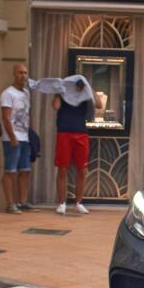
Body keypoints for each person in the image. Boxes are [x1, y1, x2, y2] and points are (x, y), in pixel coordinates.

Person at [53, 76, 96, 215]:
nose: (77, 87)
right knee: (62, 169)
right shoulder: (63, 93)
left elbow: (99, 104)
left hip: (81, 133)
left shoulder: (85, 95)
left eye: (80, 84)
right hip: (64, 132)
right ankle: (61, 202)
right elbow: (55, 106)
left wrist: (89, 88)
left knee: (82, 170)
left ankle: (78, 202)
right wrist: (59, 92)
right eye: (75, 84)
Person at [0, 63, 33, 214]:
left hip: (25, 136)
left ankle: (22, 201)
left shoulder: (26, 93)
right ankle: (10, 203)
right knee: (10, 171)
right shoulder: (8, 94)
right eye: (20, 73)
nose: (23, 76)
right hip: (12, 137)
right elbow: (6, 117)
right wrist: (12, 136)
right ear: (14, 74)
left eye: (25, 73)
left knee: (25, 170)